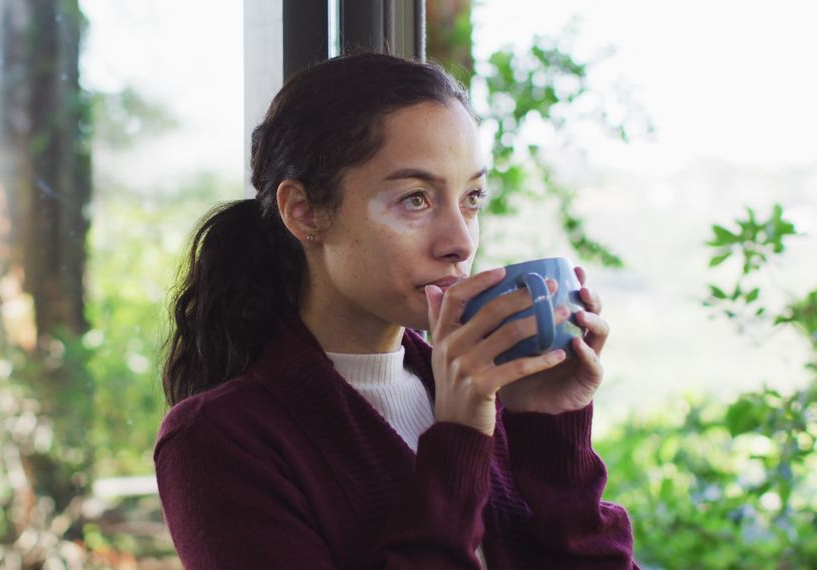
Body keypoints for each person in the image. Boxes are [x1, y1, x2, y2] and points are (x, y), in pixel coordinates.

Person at [155, 52, 637, 569]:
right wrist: (457, 440)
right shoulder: (217, 441)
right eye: (415, 199)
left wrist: (549, 430)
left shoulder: (483, 395)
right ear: (304, 211)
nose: (460, 242)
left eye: (472, 197)